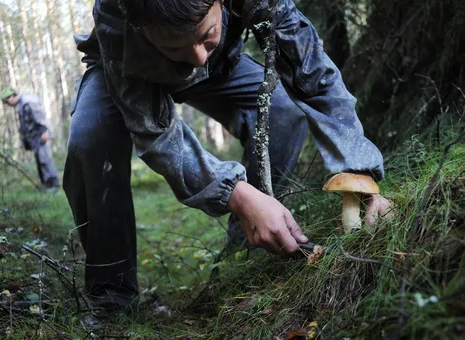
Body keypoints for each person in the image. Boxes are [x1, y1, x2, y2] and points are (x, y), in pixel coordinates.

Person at [64, 0, 393, 316]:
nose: (193, 58)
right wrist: (237, 193)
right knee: (90, 138)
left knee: (283, 112)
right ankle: (112, 296)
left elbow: (312, 72)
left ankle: (244, 252)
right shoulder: (115, 11)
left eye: (206, 34)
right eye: (176, 47)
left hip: (221, 66)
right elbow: (155, 133)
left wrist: (359, 171)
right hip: (123, 70)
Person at [0, 88, 60, 191]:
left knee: (44, 159)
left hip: (42, 134)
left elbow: (41, 117)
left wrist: (46, 132)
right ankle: (46, 185)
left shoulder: (28, 102)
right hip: (36, 137)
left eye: (7, 101)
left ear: (12, 96)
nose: (8, 104)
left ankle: (53, 185)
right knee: (40, 161)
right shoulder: (22, 104)